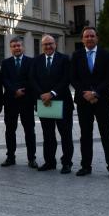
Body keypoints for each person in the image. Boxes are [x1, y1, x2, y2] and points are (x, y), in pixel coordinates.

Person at [71, 27, 109, 179]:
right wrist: (85, 93)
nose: (90, 38)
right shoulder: (76, 55)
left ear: (97, 38)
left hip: (102, 100)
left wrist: (95, 92)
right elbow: (73, 77)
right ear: (82, 39)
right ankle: (86, 166)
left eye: (92, 36)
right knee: (85, 135)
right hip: (83, 100)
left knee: (107, 134)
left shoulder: (106, 54)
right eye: (87, 36)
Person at [29, 35, 74, 174]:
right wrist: (42, 94)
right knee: (48, 135)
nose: (48, 47)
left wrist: (52, 93)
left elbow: (67, 78)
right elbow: (32, 79)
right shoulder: (37, 60)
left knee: (65, 135)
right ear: (42, 46)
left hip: (61, 102)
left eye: (50, 44)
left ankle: (66, 163)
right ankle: (50, 162)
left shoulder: (64, 59)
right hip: (45, 103)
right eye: (45, 45)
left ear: (55, 44)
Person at [0, 37, 37, 168]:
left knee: (29, 130)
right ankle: (10, 157)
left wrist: (22, 90)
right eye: (14, 46)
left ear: (23, 47)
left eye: (19, 46)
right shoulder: (5, 63)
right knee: (10, 130)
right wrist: (14, 90)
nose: (17, 48)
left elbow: (32, 79)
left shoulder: (31, 62)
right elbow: (4, 79)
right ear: (11, 48)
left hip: (27, 100)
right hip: (11, 100)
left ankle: (32, 158)